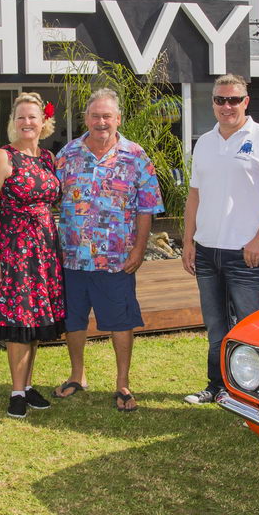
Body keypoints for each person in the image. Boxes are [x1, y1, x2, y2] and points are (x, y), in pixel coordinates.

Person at [181, 74, 259, 404]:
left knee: (251, 328)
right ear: (213, 103)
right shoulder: (205, 142)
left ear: (246, 101)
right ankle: (217, 385)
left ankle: (254, 395)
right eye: (220, 100)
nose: (227, 106)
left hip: (248, 253)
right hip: (207, 251)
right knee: (216, 327)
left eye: (234, 100)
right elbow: (194, 195)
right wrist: (188, 241)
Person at [53, 88, 164, 412]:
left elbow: (147, 208)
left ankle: (122, 383)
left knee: (120, 321)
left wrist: (139, 249)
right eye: (95, 116)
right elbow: (49, 198)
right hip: (72, 258)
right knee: (73, 320)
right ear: (86, 118)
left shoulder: (136, 156)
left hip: (116, 260)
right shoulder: (68, 155)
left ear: (118, 119)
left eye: (107, 116)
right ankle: (77, 375)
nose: (101, 122)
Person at [0, 92, 66, 419]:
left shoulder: (48, 158)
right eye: (21, 117)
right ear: (14, 122)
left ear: (43, 122)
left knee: (36, 318)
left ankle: (27, 385)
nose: (27, 122)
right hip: (14, 250)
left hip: (44, 250)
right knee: (18, 318)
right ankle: (16, 392)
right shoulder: (3, 157)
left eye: (32, 117)